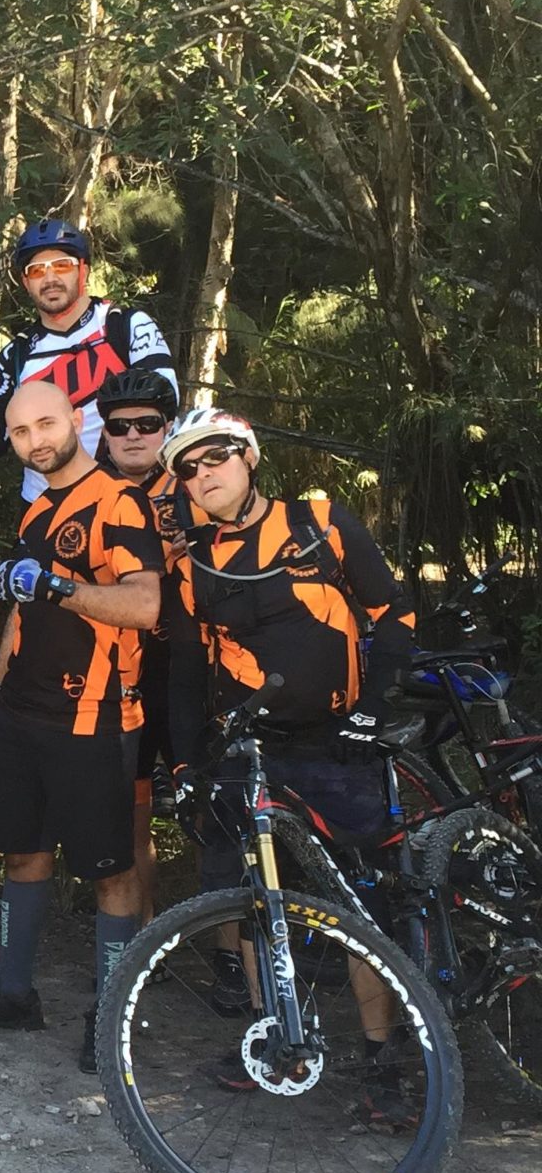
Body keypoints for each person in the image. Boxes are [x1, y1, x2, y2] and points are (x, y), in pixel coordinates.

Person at [158, 406, 421, 1120]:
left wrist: (372, 711)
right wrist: (185, 768)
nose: (201, 475)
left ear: (248, 457)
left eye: (214, 458)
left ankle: (383, 1065)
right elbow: (185, 673)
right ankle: (275, 1038)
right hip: (246, 752)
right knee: (252, 902)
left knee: (359, 907)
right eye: (186, 468)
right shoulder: (191, 564)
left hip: (341, 743)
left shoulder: (322, 522)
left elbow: (395, 615)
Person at [0, 378, 164, 1069]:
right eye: (21, 432)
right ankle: (12, 993)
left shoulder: (119, 503)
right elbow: (24, 614)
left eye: (45, 425)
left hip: (96, 717)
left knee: (111, 871)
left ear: (75, 421)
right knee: (23, 851)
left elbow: (146, 606)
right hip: (26, 712)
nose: (34, 441)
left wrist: (62, 586)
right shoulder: (39, 514)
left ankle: (114, 1015)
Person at [0, 217, 177, 499]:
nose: (50, 279)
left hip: (132, 498)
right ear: (26, 282)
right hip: (47, 510)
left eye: (62, 266)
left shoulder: (125, 326)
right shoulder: (15, 356)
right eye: (37, 270)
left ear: (83, 271)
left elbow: (167, 403)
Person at [92, 365, 181, 928]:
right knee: (134, 822)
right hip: (119, 677)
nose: (132, 436)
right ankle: (147, 937)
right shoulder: (91, 495)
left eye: (146, 424)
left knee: (222, 829)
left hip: (193, 673)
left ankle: (228, 956)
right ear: (103, 434)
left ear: (166, 428)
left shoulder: (199, 486)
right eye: (119, 426)